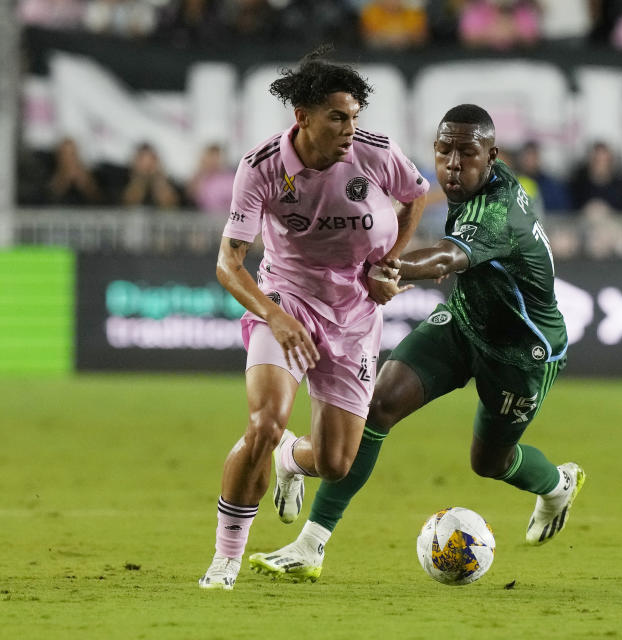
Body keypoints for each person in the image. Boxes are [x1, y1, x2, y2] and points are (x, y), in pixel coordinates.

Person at [249, 104, 585, 582]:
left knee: (489, 462)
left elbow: (447, 256)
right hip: (465, 323)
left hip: (521, 354)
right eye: (443, 150)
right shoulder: (473, 180)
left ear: (492, 156)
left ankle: (557, 484)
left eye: (466, 153)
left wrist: (386, 266)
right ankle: (310, 546)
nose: (452, 163)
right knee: (378, 405)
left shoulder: (499, 209)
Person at [197, 47, 429, 590]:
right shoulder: (261, 168)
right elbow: (229, 264)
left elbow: (416, 197)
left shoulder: (376, 154)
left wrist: (386, 264)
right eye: (338, 117)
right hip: (288, 299)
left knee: (336, 462)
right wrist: (274, 317)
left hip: (355, 313)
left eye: (354, 116)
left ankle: (290, 461)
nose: (351, 128)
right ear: (302, 117)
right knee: (264, 421)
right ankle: (225, 558)